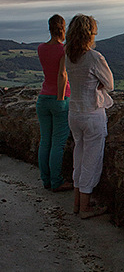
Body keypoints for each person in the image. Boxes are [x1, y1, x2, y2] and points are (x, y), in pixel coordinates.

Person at [64, 14, 113, 219]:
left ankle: (76, 203)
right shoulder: (94, 57)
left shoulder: (68, 55)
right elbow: (110, 84)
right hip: (92, 114)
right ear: (89, 34)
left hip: (74, 113)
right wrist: (98, 84)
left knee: (79, 156)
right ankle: (85, 208)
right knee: (92, 160)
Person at [35, 15, 72, 192]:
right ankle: (57, 182)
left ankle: (46, 180)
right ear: (63, 28)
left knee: (45, 142)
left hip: (42, 98)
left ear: (49, 28)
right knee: (58, 143)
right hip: (59, 98)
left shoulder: (41, 48)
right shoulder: (64, 49)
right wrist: (60, 97)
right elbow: (62, 74)